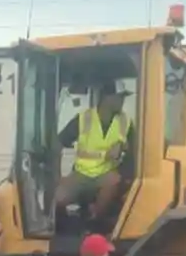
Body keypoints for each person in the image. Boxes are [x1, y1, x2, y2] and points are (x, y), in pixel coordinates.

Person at [54, 87, 133, 225]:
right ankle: (65, 226)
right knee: (58, 199)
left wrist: (122, 168)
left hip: (106, 174)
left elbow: (136, 150)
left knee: (113, 181)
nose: (122, 101)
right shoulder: (84, 118)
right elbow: (59, 143)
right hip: (81, 174)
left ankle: (95, 221)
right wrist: (58, 175)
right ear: (107, 98)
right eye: (120, 97)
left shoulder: (125, 121)